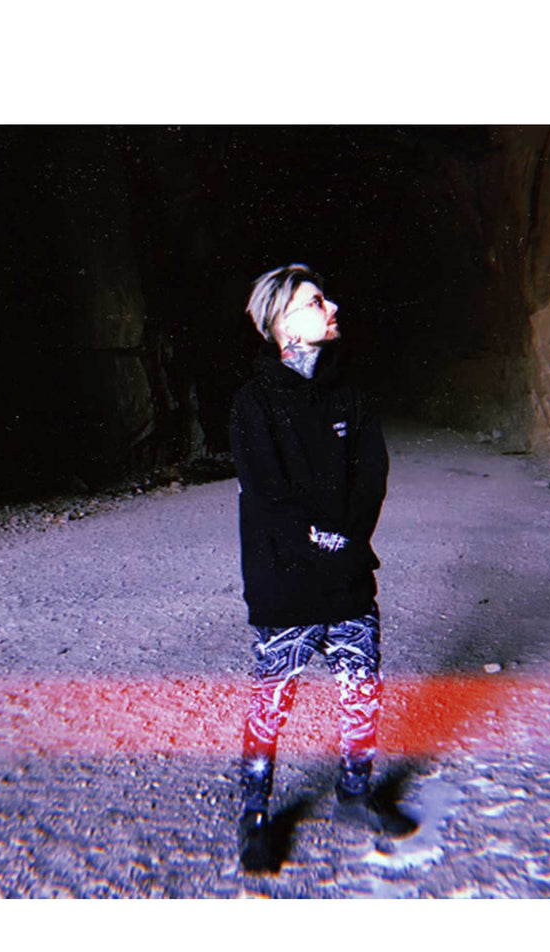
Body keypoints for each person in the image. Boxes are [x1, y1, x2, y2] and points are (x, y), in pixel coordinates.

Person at [230, 263, 404, 871]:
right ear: (281, 323)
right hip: (285, 582)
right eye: (314, 301)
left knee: (362, 689)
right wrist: (323, 543)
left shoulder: (350, 397)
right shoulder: (253, 404)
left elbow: (371, 479)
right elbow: (269, 496)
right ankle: (255, 813)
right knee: (272, 699)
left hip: (348, 577)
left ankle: (354, 795)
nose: (331, 308)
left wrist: (347, 542)